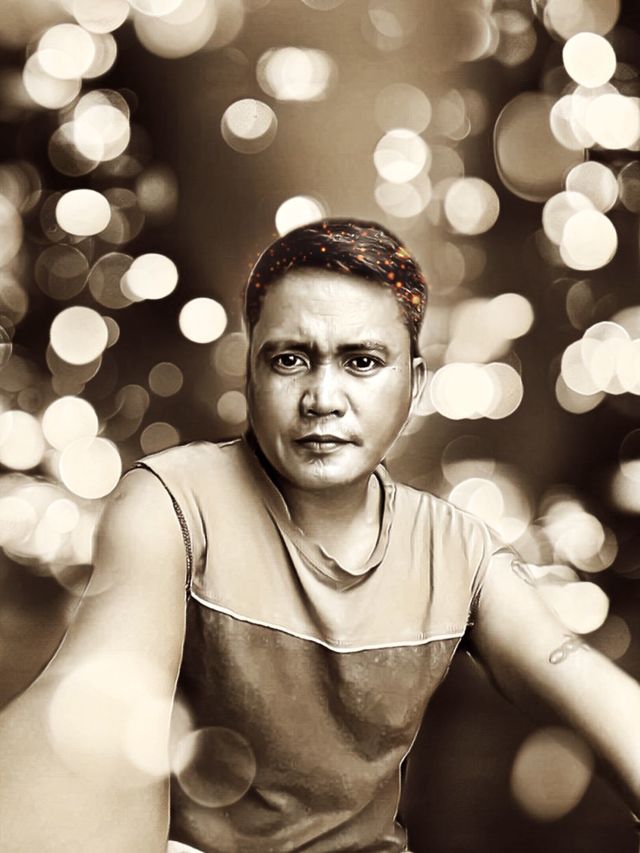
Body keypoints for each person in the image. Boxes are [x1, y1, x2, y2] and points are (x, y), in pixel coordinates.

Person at [1, 219, 639, 852]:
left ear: (415, 385)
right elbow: (101, 715)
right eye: (290, 360)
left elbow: (582, 680)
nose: (323, 398)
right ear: (250, 374)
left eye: (362, 362)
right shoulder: (171, 503)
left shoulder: (456, 549)